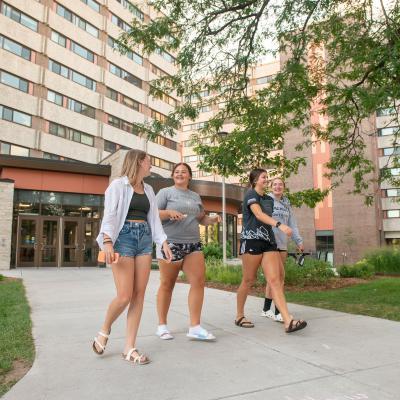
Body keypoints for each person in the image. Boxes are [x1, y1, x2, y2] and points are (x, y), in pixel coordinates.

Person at [92, 149, 172, 365]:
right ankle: (105, 329)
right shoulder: (118, 186)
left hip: (144, 239)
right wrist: (107, 242)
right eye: (149, 161)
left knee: (139, 295)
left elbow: (154, 219)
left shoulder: (149, 190)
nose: (151, 166)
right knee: (125, 295)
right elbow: (109, 215)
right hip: (123, 239)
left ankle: (129, 347)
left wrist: (163, 241)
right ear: (138, 162)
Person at [235, 168, 307, 333]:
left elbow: (278, 215)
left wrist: (294, 235)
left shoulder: (268, 198)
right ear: (254, 180)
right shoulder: (251, 195)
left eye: (267, 177)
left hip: (269, 242)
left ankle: (288, 320)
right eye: (263, 177)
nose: (266, 180)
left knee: (275, 280)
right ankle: (239, 315)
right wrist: (280, 225)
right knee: (248, 280)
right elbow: (259, 215)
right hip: (252, 240)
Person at [155, 162, 220, 341]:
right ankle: (162, 325)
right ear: (172, 175)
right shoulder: (165, 193)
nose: (180, 174)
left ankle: (195, 326)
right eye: (177, 171)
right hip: (171, 243)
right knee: (167, 284)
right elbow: (153, 214)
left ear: (189, 176)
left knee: (198, 282)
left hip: (193, 244)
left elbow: (201, 218)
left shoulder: (195, 196)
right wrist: (168, 212)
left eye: (184, 172)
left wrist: (213, 220)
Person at [261, 177, 304, 322]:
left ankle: (267, 309)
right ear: (270, 187)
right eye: (275, 184)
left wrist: (299, 241)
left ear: (284, 187)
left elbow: (293, 225)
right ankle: (279, 312)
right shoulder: (266, 200)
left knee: (274, 279)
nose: (278, 186)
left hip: (282, 245)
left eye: (280, 184)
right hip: (270, 244)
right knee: (278, 279)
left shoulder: (287, 205)